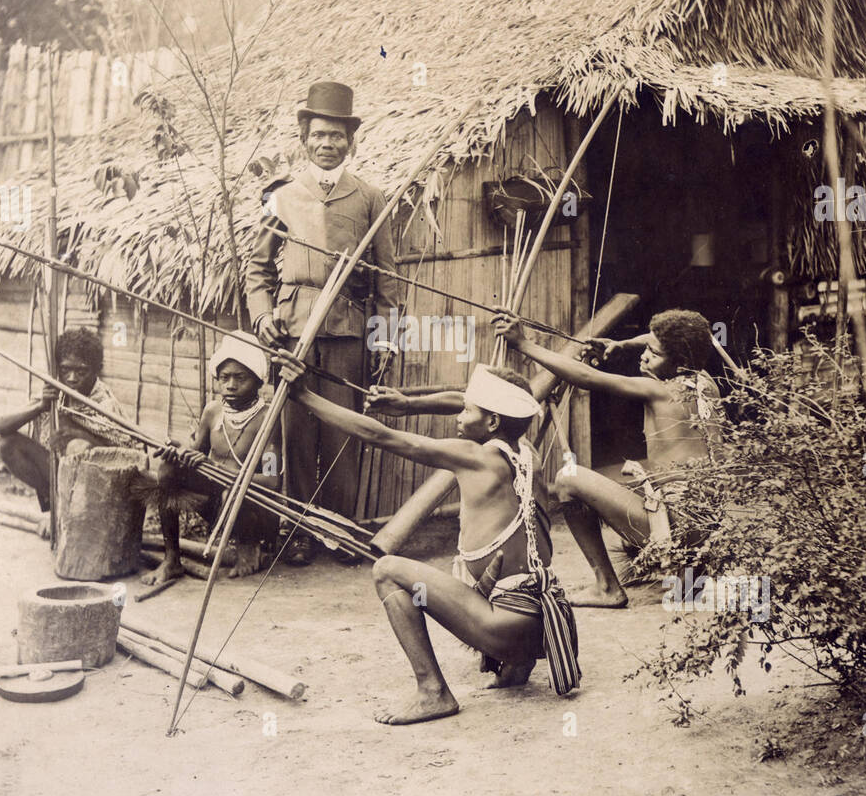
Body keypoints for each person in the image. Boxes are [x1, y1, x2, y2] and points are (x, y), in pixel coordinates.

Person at [277, 353, 580, 724]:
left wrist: (304, 396)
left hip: (502, 627)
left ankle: (432, 692)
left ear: (492, 421)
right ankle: (517, 665)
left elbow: (378, 434)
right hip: (544, 629)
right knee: (501, 578)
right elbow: (463, 399)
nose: (457, 415)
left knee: (387, 570)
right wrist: (409, 405)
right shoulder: (527, 453)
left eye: (466, 411)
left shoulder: (473, 456)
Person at [245, 80, 400, 563]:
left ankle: (339, 532)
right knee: (295, 432)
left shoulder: (371, 198)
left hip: (345, 329)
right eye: (319, 135)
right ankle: (296, 534)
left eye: (337, 136)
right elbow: (256, 268)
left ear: (351, 142)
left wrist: (385, 342)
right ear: (304, 139)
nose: (327, 144)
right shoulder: (282, 197)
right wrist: (262, 316)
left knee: (342, 432)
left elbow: (388, 282)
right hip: (292, 331)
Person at [492, 309, 721, 609]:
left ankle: (607, 588)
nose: (645, 356)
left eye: (654, 353)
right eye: (646, 348)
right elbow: (656, 341)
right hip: (706, 531)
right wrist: (623, 344)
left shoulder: (658, 389)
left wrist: (523, 344)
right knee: (647, 489)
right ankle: (690, 579)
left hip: (676, 530)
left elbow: (587, 377)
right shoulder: (706, 384)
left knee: (568, 479)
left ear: (679, 362)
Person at [143, 334, 280, 585]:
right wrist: (180, 453)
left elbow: (271, 482)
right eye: (224, 377)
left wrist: (218, 470)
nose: (230, 385)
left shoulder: (268, 418)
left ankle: (249, 546)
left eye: (241, 378)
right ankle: (172, 559)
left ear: (259, 380)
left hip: (251, 510)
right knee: (168, 470)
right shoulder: (212, 411)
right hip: (216, 504)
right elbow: (197, 456)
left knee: (231, 493)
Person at [0, 327, 125, 516]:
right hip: (60, 474)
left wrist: (80, 435)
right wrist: (39, 407)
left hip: (99, 487)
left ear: (97, 370)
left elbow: (123, 456)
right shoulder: (56, 392)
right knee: (6, 444)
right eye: (65, 370)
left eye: (81, 371)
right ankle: (56, 507)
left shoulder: (105, 404)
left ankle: (72, 515)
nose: (71, 378)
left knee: (77, 446)